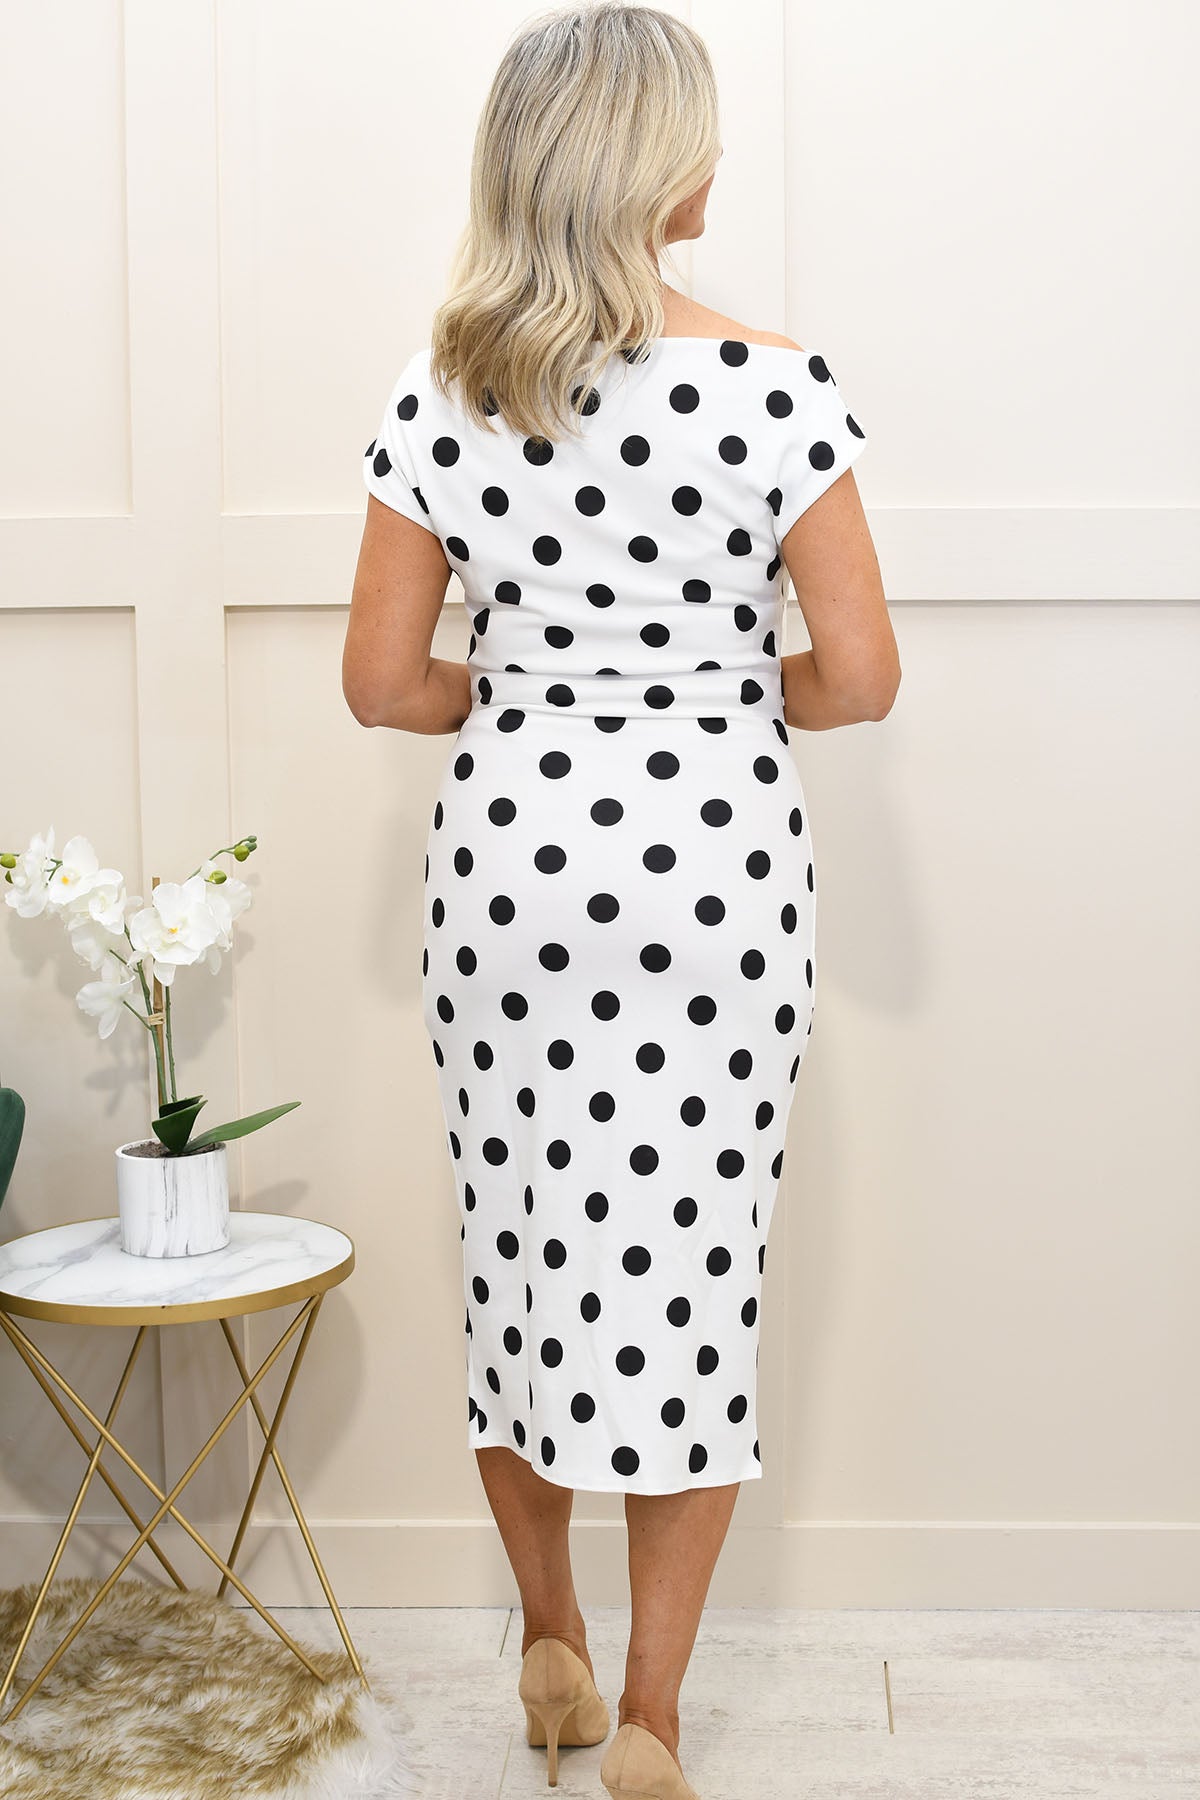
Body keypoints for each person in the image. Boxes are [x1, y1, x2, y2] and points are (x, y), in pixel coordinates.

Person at [344, 5, 898, 1795]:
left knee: (518, 1254)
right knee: (692, 1278)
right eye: (701, 133)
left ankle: (551, 1646)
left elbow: (382, 684)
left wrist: (526, 694)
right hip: (715, 874)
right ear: (652, 163)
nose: (719, 159)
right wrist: (721, 692)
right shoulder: (777, 387)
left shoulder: (443, 392)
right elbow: (861, 676)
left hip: (512, 868)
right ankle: (652, 1716)